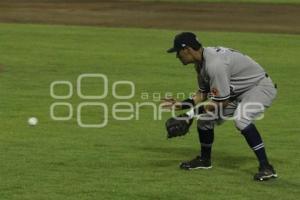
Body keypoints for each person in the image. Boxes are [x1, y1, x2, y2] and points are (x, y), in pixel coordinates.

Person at [162, 32, 278, 181]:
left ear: (187, 49)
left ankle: (266, 167)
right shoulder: (201, 63)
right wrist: (182, 105)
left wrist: (189, 115)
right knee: (205, 119)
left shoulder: (214, 65)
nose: (177, 56)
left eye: (177, 52)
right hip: (236, 93)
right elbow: (203, 93)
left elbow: (220, 102)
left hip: (258, 87)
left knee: (241, 119)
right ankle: (205, 160)